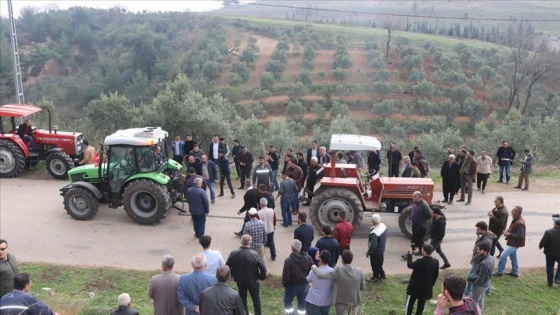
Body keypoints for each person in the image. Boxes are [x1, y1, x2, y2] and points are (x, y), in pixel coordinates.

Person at [311, 250, 366, 315]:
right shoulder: (359, 271)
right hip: (354, 300)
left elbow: (321, 275)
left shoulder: (338, 270)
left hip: (341, 300)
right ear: (352, 259)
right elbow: (363, 287)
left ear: (342, 260)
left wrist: (314, 268)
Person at [226, 235, 267, 315]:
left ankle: (245, 313)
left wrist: (231, 275)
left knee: (242, 299)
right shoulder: (254, 254)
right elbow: (263, 268)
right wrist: (261, 277)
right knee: (256, 300)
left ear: (241, 242)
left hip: (240, 281)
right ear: (250, 242)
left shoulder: (234, 253)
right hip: (253, 281)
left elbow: (227, 266)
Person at [405, 244, 439, 315]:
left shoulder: (420, 261)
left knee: (410, 303)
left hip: (414, 287)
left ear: (423, 251)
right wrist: (430, 285)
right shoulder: (436, 262)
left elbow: (410, 265)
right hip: (426, 288)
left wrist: (410, 255)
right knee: (421, 304)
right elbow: (435, 275)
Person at [282, 239, 313, 315]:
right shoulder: (308, 258)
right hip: (303, 286)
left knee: (288, 302)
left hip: (291, 286)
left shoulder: (288, 260)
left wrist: (285, 284)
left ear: (292, 248)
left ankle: (290, 314)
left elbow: (286, 275)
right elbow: (311, 272)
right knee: (302, 304)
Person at [464, 221, 496, 296]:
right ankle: (488, 290)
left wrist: (476, 257)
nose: (476, 231)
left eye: (478, 229)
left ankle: (467, 292)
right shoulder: (484, 235)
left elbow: (483, 251)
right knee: (485, 276)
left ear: (483, 230)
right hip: (479, 259)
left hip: (479, 260)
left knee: (471, 276)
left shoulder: (487, 240)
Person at [494, 206, 526, 277]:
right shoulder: (516, 219)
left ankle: (500, 272)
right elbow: (513, 229)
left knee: (503, 255)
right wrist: (508, 231)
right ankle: (514, 272)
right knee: (513, 257)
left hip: (515, 243)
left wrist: (509, 234)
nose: (511, 212)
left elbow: (520, 235)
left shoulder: (519, 222)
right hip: (514, 242)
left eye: (513, 211)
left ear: (517, 213)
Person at [401, 191, 431, 260]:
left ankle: (409, 255)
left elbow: (429, 216)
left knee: (414, 241)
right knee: (420, 240)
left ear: (418, 197)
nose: (412, 198)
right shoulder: (416, 203)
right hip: (415, 225)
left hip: (420, 227)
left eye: (414, 197)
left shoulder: (424, 205)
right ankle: (421, 251)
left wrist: (423, 222)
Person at [306, 250, 334, 315]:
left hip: (314, 300)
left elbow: (308, 279)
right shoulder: (333, 272)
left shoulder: (313, 271)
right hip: (326, 299)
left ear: (320, 259)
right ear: (329, 260)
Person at [468, 242, 493, 311]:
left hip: (480, 286)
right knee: (481, 300)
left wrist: (474, 284)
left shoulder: (484, 264)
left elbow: (481, 278)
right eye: (478, 249)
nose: (478, 251)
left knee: (474, 302)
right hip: (485, 284)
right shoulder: (490, 257)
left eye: (480, 250)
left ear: (485, 251)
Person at [538, 217, 560, 287]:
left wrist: (540, 246)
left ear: (555, 224)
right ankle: (558, 278)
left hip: (549, 253)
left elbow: (543, 242)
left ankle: (550, 283)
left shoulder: (548, 232)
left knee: (550, 266)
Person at [366, 214, 387, 281]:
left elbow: (373, 245)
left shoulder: (375, 233)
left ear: (373, 221)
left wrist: (368, 253)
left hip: (375, 252)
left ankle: (375, 277)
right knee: (379, 264)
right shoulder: (383, 226)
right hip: (381, 250)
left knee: (374, 265)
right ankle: (382, 275)